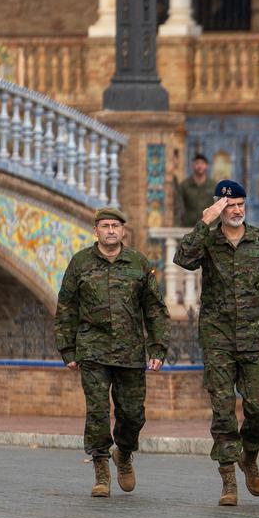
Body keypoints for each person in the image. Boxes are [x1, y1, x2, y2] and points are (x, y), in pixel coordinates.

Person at [173, 180, 259, 506]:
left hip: (256, 339)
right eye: (229, 205)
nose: (236, 210)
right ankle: (228, 479)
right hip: (218, 338)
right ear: (218, 208)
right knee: (223, 411)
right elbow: (182, 259)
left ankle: (249, 455)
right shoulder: (208, 240)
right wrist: (204, 221)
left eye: (240, 204)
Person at [54, 207, 170, 497]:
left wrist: (158, 346)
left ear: (122, 231)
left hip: (130, 351)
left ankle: (125, 452)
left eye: (115, 226)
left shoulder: (138, 264)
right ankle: (101, 467)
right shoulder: (80, 263)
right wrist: (67, 348)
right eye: (105, 226)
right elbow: (66, 307)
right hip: (92, 350)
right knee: (97, 411)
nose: (110, 230)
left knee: (132, 414)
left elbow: (154, 309)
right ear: (96, 231)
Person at [175, 153, 217, 228]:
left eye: (202, 163)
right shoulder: (185, 185)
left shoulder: (213, 185)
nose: (200, 166)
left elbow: (218, 206)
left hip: (209, 226)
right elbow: (178, 206)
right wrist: (178, 224)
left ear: (206, 166)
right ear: (193, 166)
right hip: (189, 226)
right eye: (197, 163)